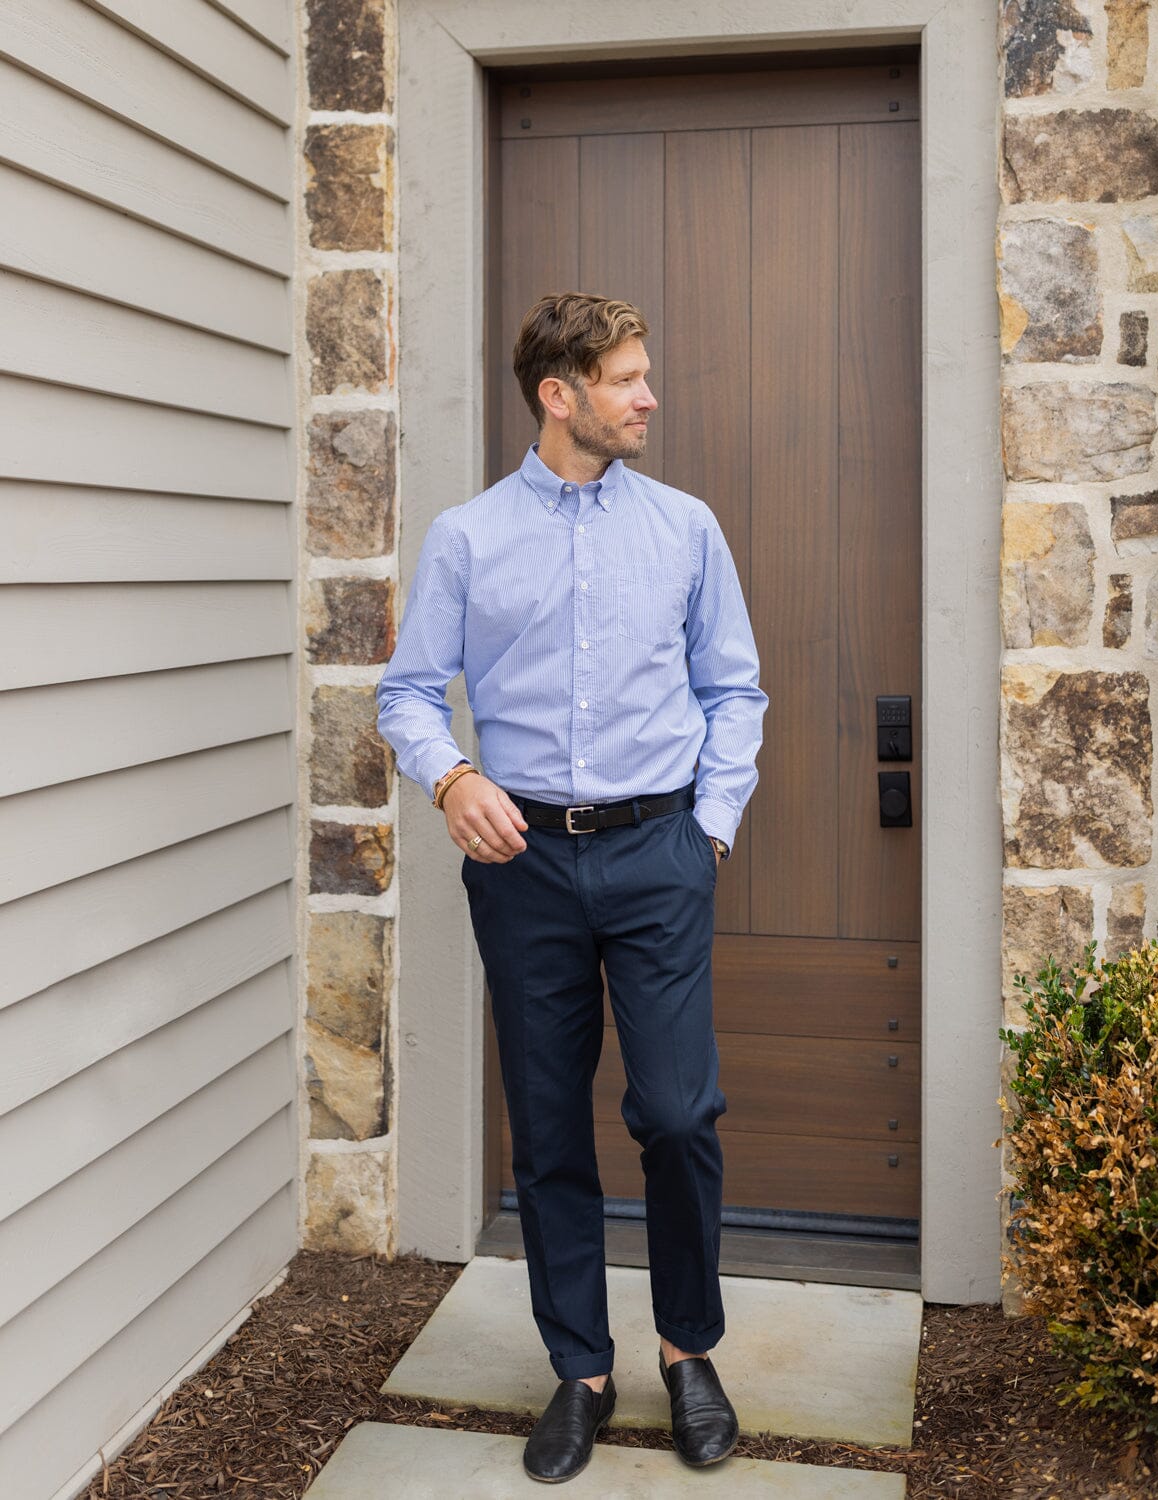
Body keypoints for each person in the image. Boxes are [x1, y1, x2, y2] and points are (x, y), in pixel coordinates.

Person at [375, 291, 767, 1483]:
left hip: (657, 857)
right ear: (560, 395)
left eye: (645, 375)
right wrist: (450, 781)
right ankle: (579, 1372)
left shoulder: (686, 528)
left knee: (677, 1115)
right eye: (627, 378)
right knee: (547, 1128)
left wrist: (707, 827)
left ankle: (687, 1352)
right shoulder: (468, 539)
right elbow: (406, 693)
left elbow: (732, 692)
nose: (648, 396)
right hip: (524, 867)